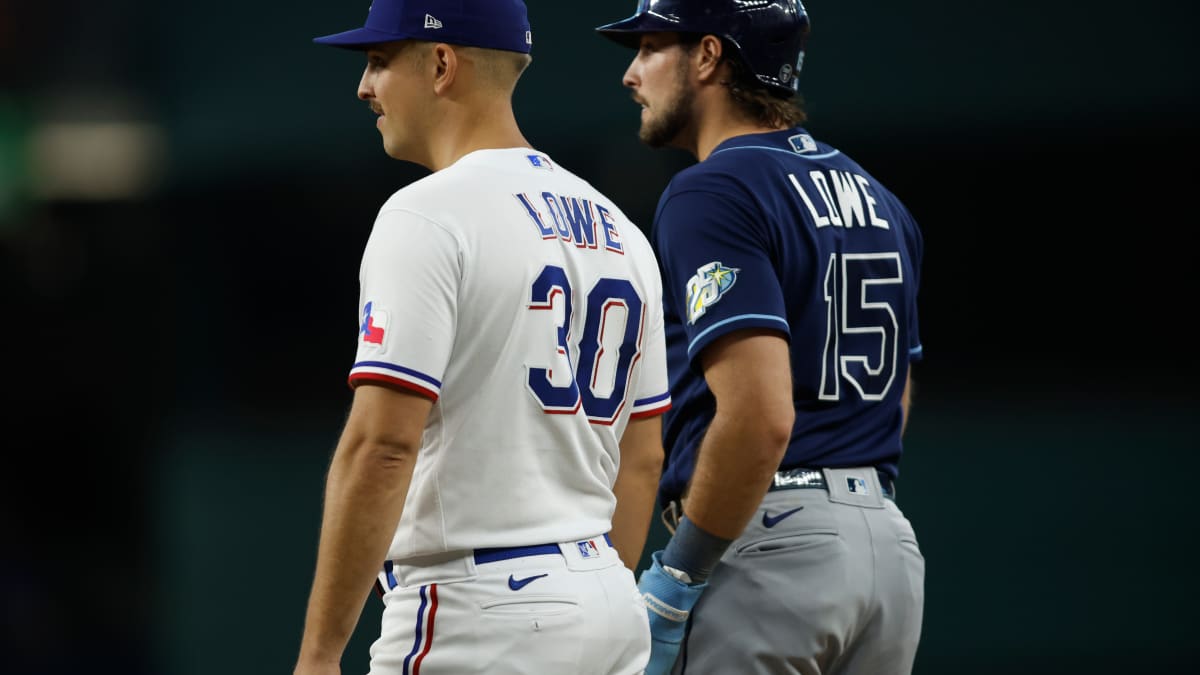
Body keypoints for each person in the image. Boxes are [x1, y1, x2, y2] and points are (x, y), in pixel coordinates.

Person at [294, 1, 673, 673]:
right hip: (605, 596)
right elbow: (643, 457)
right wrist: (579, 598)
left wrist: (320, 656)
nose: (364, 87)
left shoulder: (427, 214)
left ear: (441, 64)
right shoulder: (622, 231)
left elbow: (382, 446)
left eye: (380, 62)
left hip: (479, 610)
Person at [594, 1, 927, 674]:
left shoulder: (712, 190)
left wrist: (680, 575)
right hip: (888, 548)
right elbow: (897, 395)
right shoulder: (878, 196)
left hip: (769, 544)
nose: (632, 73)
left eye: (651, 45)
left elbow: (761, 413)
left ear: (710, 56)